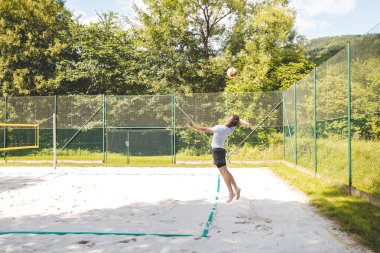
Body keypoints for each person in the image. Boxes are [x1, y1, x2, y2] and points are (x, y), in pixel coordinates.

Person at [186, 115, 253, 203]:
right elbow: (239, 121)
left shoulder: (220, 128)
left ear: (230, 121)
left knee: (224, 173)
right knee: (226, 172)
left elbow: (204, 129)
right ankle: (236, 188)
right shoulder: (231, 128)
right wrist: (248, 123)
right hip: (220, 150)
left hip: (217, 151)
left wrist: (192, 126)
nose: (228, 117)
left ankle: (231, 192)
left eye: (230, 117)